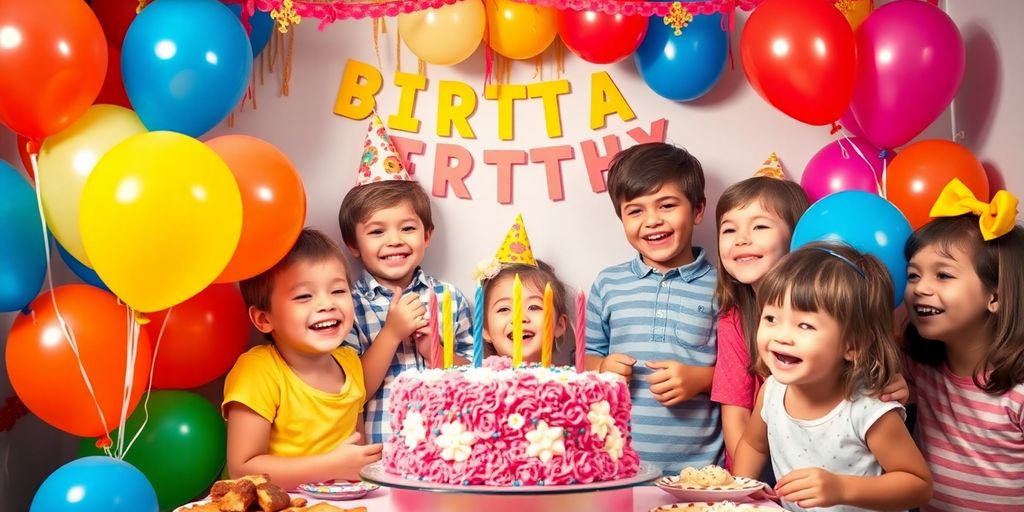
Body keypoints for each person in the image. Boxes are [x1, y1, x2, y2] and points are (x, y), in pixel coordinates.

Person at [733, 242, 932, 511]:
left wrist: (841, 488)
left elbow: (919, 485)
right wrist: (739, 493)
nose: (781, 335)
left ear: (853, 345)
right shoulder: (772, 391)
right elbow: (753, 445)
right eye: (771, 318)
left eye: (805, 325)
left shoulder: (868, 409)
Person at [585, 142, 721, 473]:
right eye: (635, 211)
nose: (652, 221)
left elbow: (747, 373)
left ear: (698, 210)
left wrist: (701, 379)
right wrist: (603, 367)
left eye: (667, 205)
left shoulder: (724, 287)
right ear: (621, 218)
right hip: (618, 467)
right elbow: (586, 358)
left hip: (700, 471)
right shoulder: (608, 284)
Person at [338, 113, 472, 443]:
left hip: (447, 451)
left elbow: (475, 379)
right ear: (353, 244)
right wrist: (392, 333)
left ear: (427, 236)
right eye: (377, 231)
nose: (395, 240)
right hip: (381, 455)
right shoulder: (348, 305)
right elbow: (350, 396)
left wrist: (435, 351)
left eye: (408, 228)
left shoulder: (450, 298)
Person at [223, 229, 382, 490]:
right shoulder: (259, 371)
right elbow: (243, 469)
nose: (326, 304)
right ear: (264, 319)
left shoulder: (351, 363)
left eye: (338, 290)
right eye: (304, 296)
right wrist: (331, 466)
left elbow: (355, 455)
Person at [902, 179, 1024, 511]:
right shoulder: (918, 367)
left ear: (994, 295)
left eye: (943, 275)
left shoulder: (1018, 391)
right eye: (913, 275)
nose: (920, 288)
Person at [711, 154, 810, 465]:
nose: (741, 239)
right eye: (729, 230)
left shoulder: (822, 309)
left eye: (760, 226)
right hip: (760, 463)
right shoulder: (734, 318)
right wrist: (741, 488)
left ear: (795, 236)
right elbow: (735, 411)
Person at [477, 215, 574, 366]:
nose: (520, 317)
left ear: (560, 325)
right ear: (485, 329)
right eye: (504, 308)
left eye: (534, 307)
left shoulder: (570, 384)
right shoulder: (477, 384)